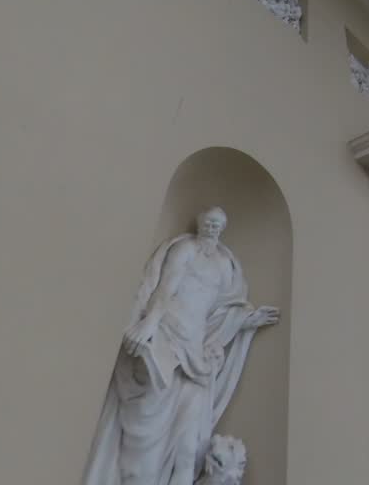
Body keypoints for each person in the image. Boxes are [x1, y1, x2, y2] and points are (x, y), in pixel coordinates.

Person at [87, 207, 279, 485]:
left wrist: (245, 321)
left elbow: (221, 310)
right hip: (166, 340)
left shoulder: (224, 264)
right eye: (209, 222)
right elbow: (165, 288)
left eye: (218, 224)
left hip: (196, 355)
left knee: (188, 448)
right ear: (200, 224)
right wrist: (150, 323)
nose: (213, 228)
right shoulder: (185, 250)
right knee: (146, 440)